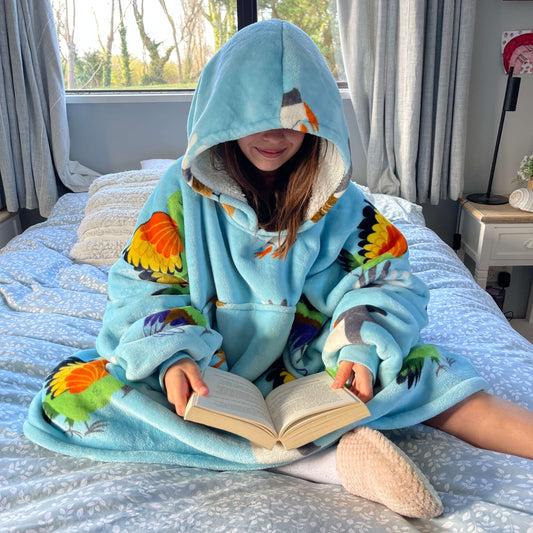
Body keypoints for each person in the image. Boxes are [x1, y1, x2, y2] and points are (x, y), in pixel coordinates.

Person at [25, 19, 533, 520]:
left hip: (317, 368)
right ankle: (326, 463)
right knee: (68, 393)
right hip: (207, 371)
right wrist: (172, 357)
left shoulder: (342, 201)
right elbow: (147, 287)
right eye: (252, 116)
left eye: (294, 118)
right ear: (222, 116)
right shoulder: (178, 197)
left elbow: (384, 276)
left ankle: (296, 442)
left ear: (318, 118)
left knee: (433, 373)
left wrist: (359, 344)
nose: (275, 134)